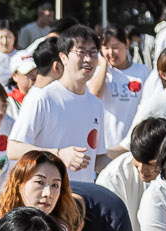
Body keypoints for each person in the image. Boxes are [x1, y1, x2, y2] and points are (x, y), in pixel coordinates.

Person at [6, 34, 108, 180]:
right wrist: (59, 154)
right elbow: (13, 149)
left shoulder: (94, 103)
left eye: (92, 53)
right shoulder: (39, 97)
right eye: (79, 54)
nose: (86, 60)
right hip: (48, 196)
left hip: (82, 196)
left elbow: (97, 158)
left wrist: (127, 167)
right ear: (60, 63)